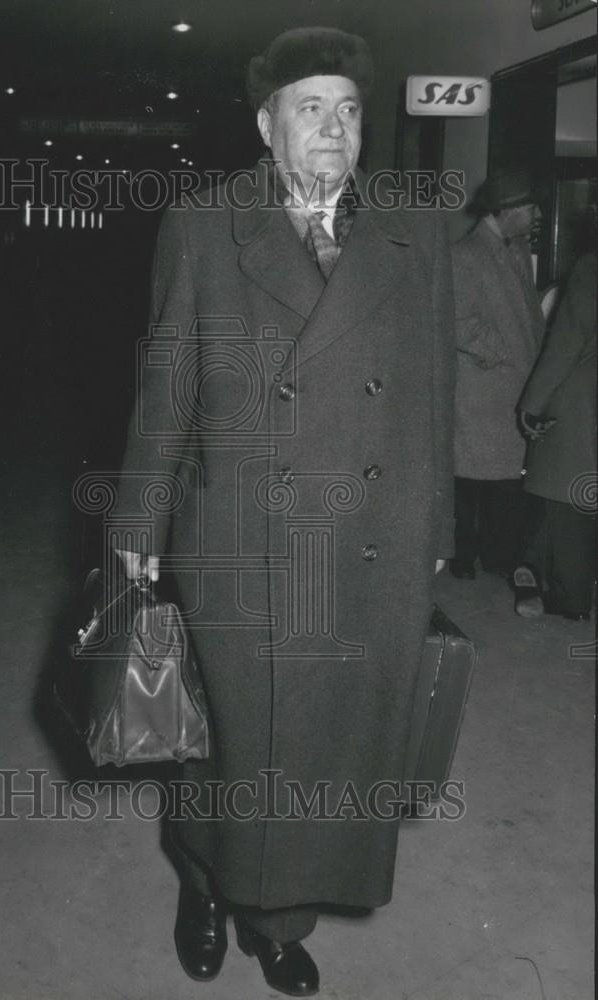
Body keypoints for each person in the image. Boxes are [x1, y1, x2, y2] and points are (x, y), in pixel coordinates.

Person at [111, 27, 455, 996]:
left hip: (373, 540)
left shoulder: (413, 231)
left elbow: (431, 393)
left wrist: (438, 528)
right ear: (267, 126)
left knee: (334, 751)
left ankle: (278, 917)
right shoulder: (205, 224)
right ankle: (204, 883)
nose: (333, 128)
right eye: (311, 109)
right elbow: (166, 387)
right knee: (231, 742)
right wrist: (137, 529)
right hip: (244, 538)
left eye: (348, 111)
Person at [450, 172, 545, 580]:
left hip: (513, 386)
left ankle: (494, 555)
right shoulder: (464, 254)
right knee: (470, 479)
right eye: (530, 207)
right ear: (505, 211)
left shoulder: (518, 248)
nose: (537, 215)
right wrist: (503, 353)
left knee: (502, 478)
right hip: (482, 391)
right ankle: (462, 555)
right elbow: (456, 320)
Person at [514, 250, 597, 621]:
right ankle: (532, 566)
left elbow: (566, 341)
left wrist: (531, 403)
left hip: (582, 398)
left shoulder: (591, 266)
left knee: (567, 494)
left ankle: (571, 597)